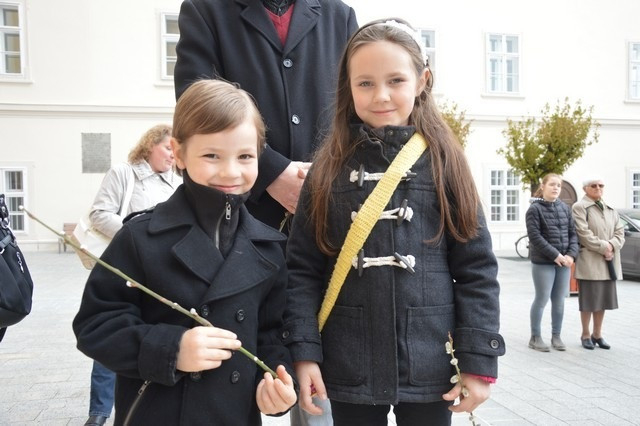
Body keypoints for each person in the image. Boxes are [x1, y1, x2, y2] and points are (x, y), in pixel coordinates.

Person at [281, 18, 505, 425]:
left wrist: (478, 361)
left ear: (422, 81)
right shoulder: (326, 169)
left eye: (396, 80)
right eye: (365, 83)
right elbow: (302, 271)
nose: (380, 95)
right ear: (347, 87)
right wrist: (304, 353)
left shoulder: (446, 163)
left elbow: (476, 268)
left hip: (429, 360)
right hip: (347, 360)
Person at [73, 80, 297, 425]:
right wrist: (172, 349)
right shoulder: (140, 237)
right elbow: (96, 325)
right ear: (179, 154)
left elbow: (270, 334)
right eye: (211, 155)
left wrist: (274, 385)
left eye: (245, 156)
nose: (230, 171)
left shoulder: (267, 248)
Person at [174, 0, 358, 232]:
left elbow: (356, 112)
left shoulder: (340, 16)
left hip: (325, 212)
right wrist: (272, 172)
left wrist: (324, 178)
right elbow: (198, 108)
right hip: (239, 214)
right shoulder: (205, 10)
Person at [82, 124, 182, 426]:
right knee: (116, 332)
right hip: (125, 266)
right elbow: (99, 213)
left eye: (175, 150)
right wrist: (138, 237)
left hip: (163, 273)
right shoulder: (124, 173)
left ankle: (144, 405)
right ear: (150, 145)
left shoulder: (177, 181)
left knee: (150, 337)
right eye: (168, 147)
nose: (172, 155)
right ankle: (99, 412)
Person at [525, 174, 579, 352]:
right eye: (552, 184)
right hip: (543, 262)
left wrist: (571, 255)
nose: (556, 188)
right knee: (541, 298)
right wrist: (555, 255)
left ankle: (556, 336)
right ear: (543, 186)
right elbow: (535, 237)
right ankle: (535, 337)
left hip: (564, 263)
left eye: (558, 185)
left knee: (559, 300)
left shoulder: (564, 208)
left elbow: (573, 234)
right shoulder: (534, 209)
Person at [571, 177, 625, 350]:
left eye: (601, 185)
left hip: (608, 262)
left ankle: (597, 334)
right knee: (588, 301)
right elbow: (583, 233)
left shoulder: (611, 209)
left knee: (603, 300)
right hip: (590, 261)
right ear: (585, 189)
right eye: (593, 185)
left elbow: (620, 232)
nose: (598, 188)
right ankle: (585, 334)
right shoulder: (580, 207)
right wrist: (604, 247)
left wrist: (612, 245)